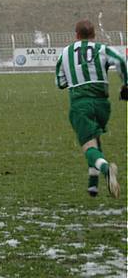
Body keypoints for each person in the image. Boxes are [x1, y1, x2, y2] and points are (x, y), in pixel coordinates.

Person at [56, 19, 126, 199]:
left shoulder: (65, 53)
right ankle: (93, 184)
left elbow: (60, 82)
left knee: (88, 145)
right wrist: (126, 84)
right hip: (103, 104)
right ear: (94, 35)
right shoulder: (102, 49)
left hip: (80, 104)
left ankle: (106, 169)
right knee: (94, 137)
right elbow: (121, 60)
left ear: (76, 35)